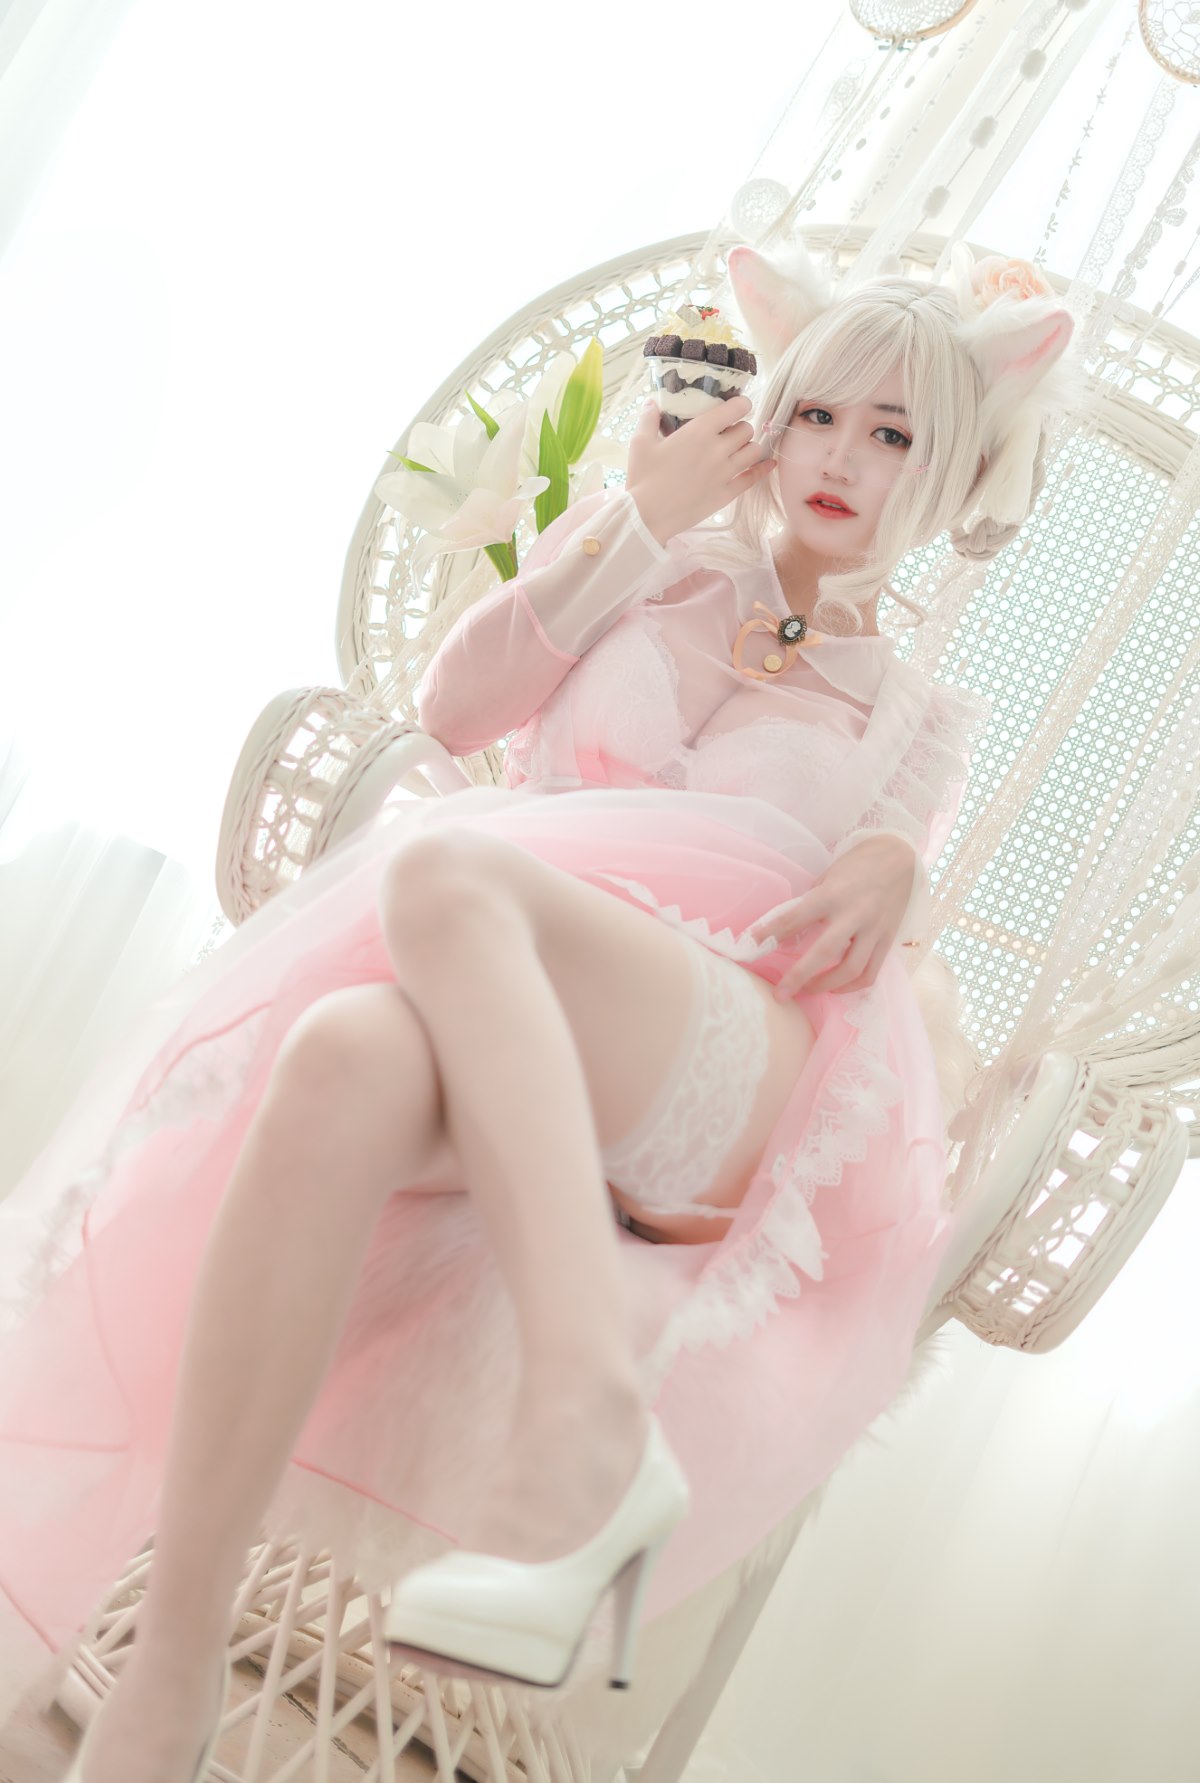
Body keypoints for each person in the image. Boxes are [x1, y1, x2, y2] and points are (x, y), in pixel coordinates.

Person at [0, 241, 1076, 1782]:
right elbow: (454, 713)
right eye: (820, 415)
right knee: (343, 1049)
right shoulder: (650, 555)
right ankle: (169, 1675)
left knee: (445, 871)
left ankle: (583, 1400)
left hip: (719, 1066)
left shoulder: (921, 717)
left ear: (955, 470)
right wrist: (640, 519)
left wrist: (897, 868)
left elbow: (877, 904)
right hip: (508, 1028)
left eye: (895, 434)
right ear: (767, 420)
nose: (844, 459)